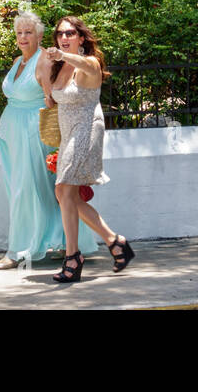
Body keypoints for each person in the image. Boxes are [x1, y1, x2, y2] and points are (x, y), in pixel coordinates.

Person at [0, 11, 96, 269]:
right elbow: (14, 96)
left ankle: (18, 250)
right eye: (19, 33)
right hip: (12, 132)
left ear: (39, 36)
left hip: (34, 133)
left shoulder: (43, 62)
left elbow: (54, 99)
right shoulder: (19, 61)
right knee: (24, 190)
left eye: (28, 32)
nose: (23, 37)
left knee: (27, 192)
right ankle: (63, 242)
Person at [38, 16, 134, 282]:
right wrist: (46, 66)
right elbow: (49, 98)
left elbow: (82, 62)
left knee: (64, 188)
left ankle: (73, 257)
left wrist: (63, 56)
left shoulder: (89, 63)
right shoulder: (60, 66)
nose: (64, 37)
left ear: (81, 37)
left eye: (70, 33)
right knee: (66, 194)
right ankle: (116, 243)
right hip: (68, 134)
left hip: (87, 131)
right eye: (59, 34)